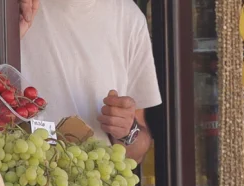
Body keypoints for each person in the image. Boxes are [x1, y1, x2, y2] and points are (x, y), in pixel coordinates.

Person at [19, 0, 161, 162]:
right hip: (18, 174)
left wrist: (128, 132)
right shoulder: (16, 7)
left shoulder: (130, 18)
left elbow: (138, 152)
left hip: (94, 182)